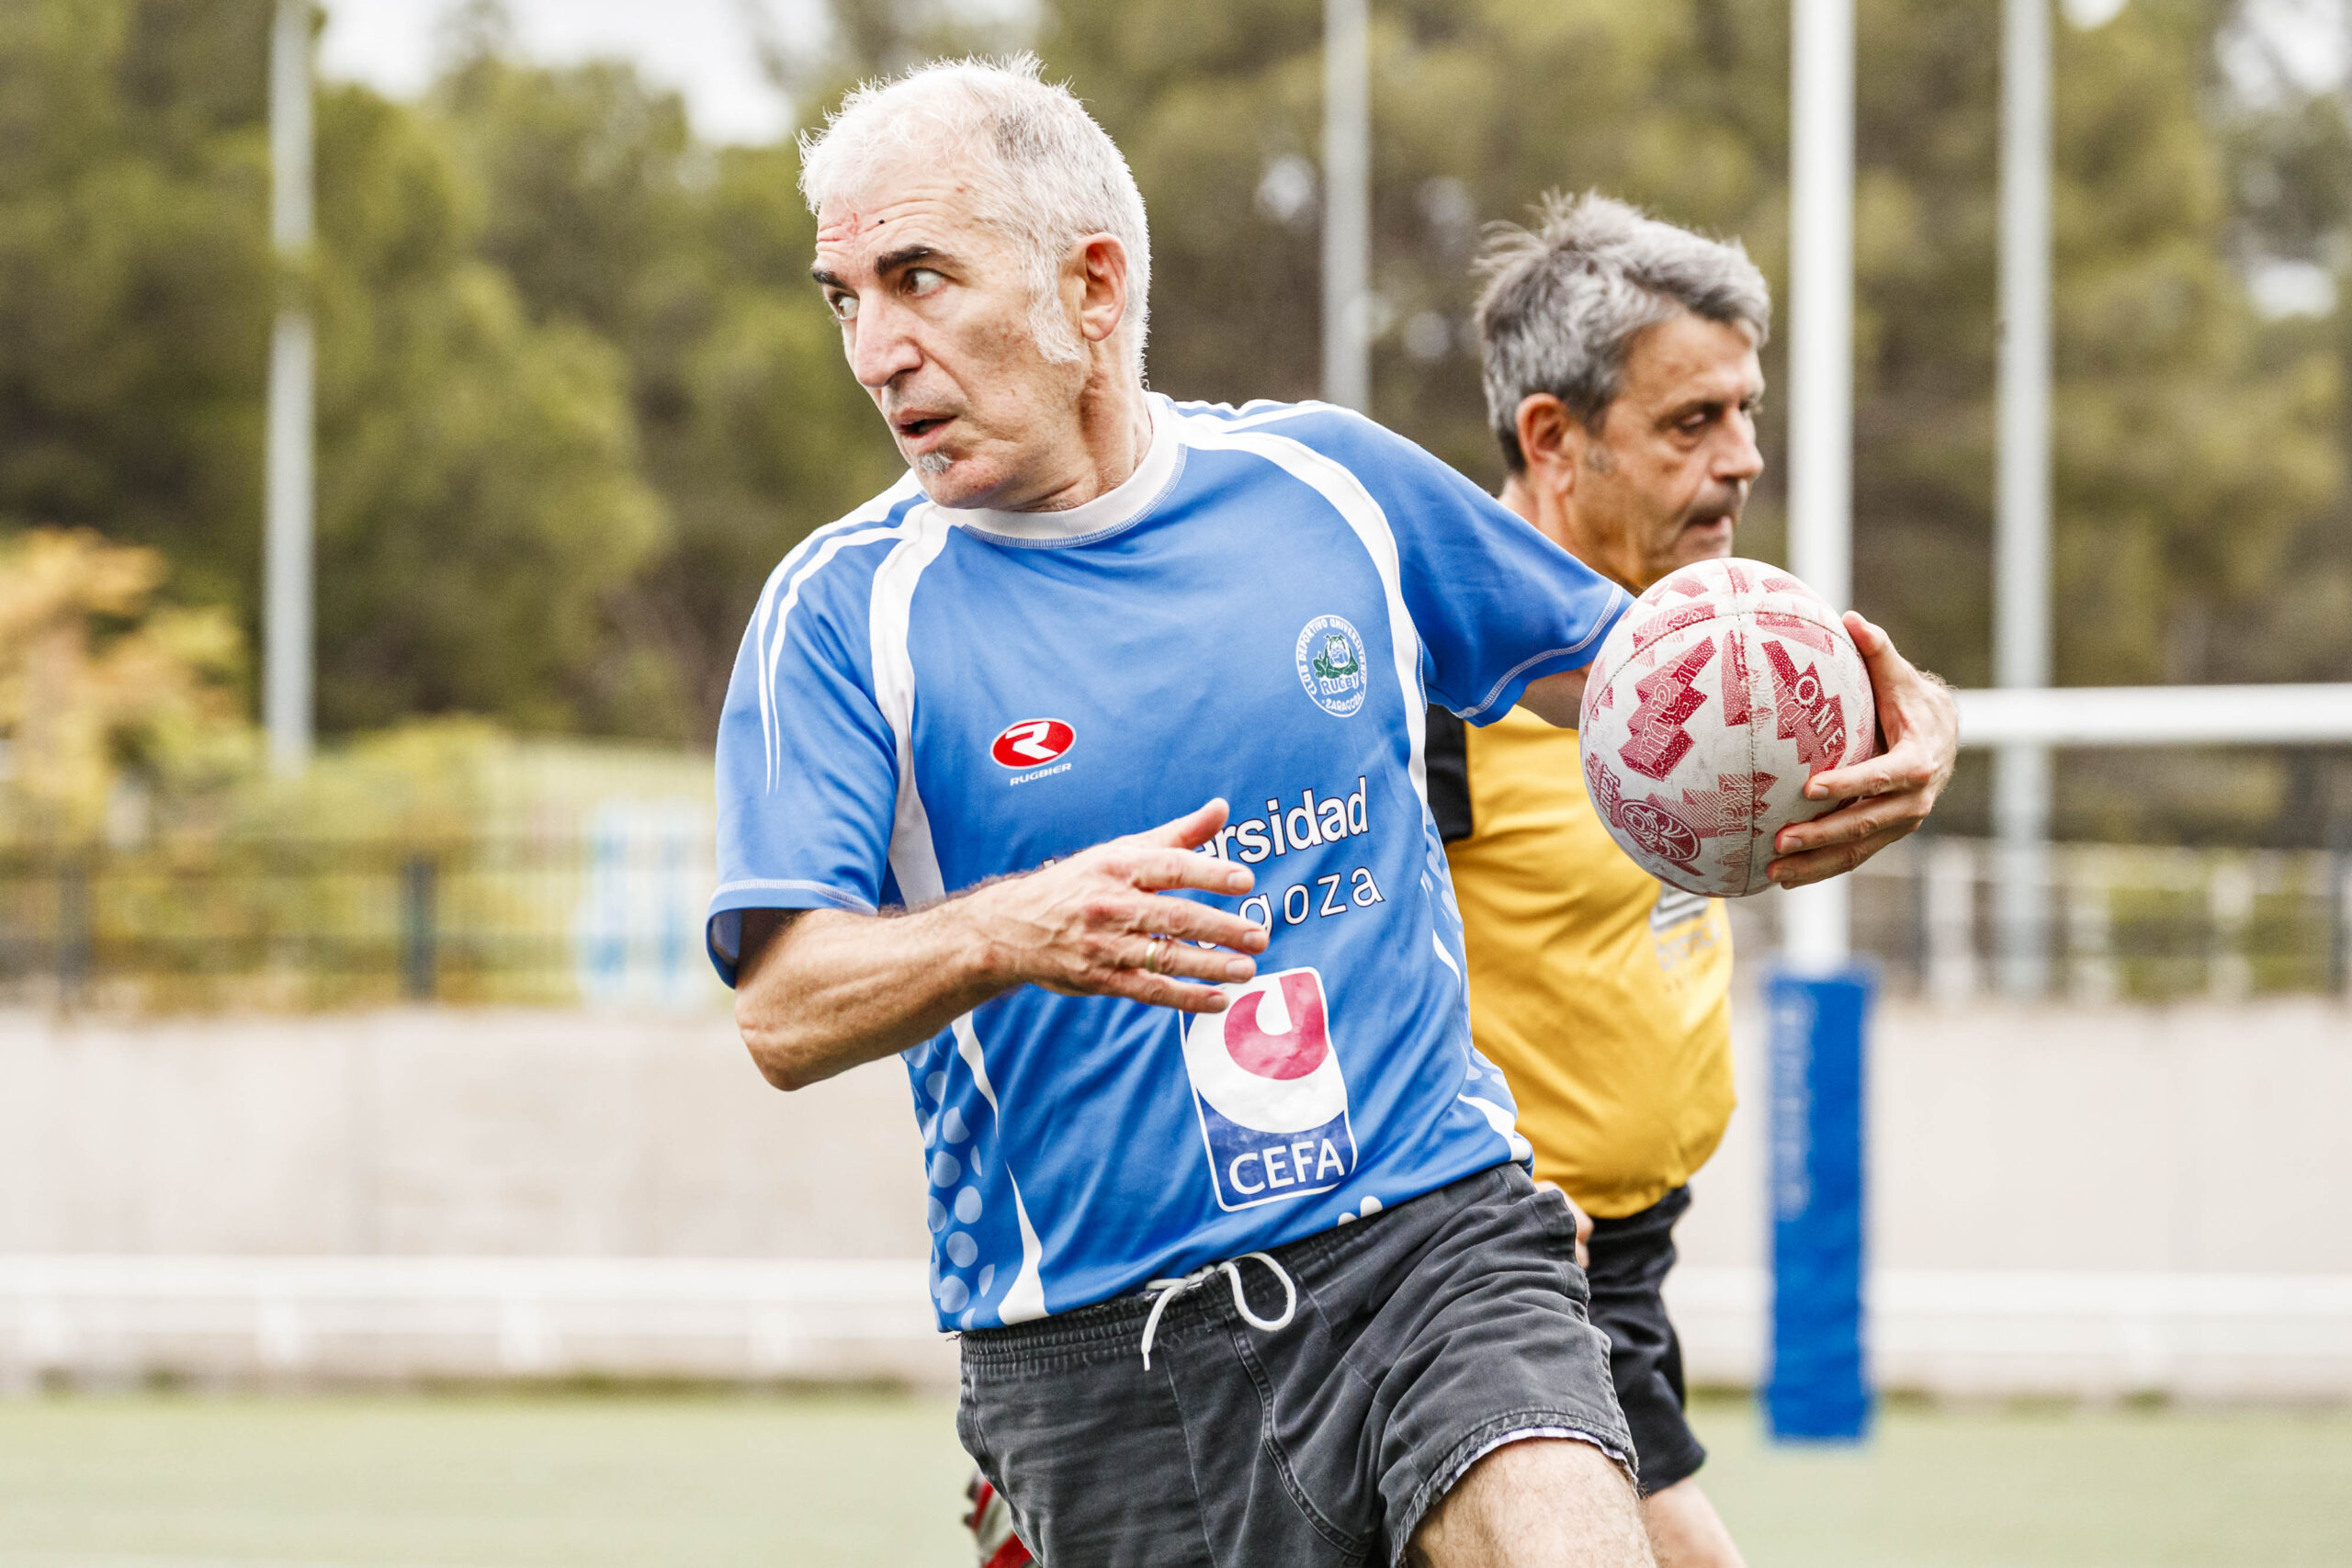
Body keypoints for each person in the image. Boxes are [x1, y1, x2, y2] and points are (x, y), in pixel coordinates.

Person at [713, 57, 1945, 1568]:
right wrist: (1009, 931)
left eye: (918, 279)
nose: (877, 349)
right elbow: (782, 1011)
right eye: (846, 297)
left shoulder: (1332, 489)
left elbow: (1661, 678)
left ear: (1092, 287)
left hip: (1431, 1246)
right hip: (1101, 1353)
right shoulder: (840, 616)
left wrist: (1896, 721)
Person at [1420, 193, 1956, 1568]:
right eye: (1692, 423)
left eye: (1747, 413)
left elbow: (1893, 691)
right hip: (1500, 1255)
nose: (1746, 459)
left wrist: (1926, 735)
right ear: (1554, 438)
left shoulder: (1710, 634)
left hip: (1635, 1247)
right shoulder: (1430, 671)